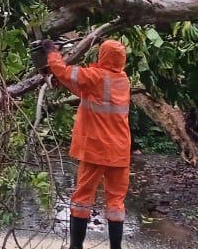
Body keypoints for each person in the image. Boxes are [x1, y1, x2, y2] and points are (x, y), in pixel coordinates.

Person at [35, 38, 132, 249]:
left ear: (103, 56)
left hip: (96, 150)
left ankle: (75, 247)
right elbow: (87, 91)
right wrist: (63, 81)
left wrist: (51, 52)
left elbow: (64, 70)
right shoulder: (122, 80)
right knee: (116, 202)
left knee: (82, 199)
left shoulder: (95, 76)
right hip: (120, 151)